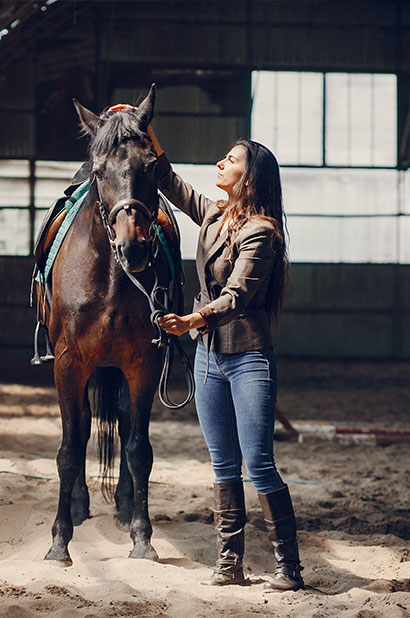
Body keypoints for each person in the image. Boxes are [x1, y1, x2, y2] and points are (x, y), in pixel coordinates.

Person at [147, 126, 304, 591]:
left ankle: (288, 568)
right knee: (221, 464)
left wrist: (192, 321)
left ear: (249, 177)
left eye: (230, 159)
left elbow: (237, 296)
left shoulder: (263, 234)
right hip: (209, 359)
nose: (220, 163)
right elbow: (170, 183)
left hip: (247, 357)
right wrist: (149, 130)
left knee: (258, 464)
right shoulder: (215, 216)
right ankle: (230, 563)